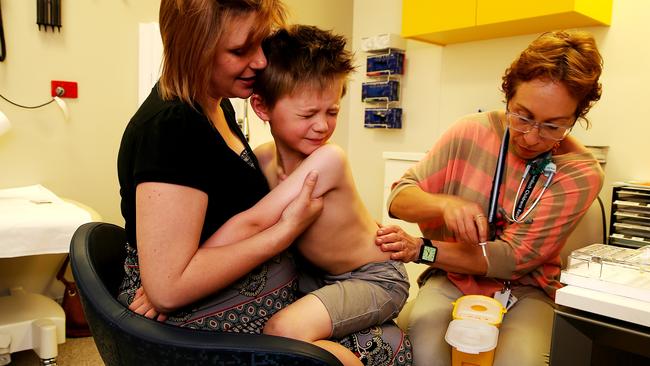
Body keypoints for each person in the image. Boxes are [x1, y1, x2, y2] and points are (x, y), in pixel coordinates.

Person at [116, 1, 413, 364]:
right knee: (373, 342)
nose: (259, 61)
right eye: (241, 49)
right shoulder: (173, 126)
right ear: (195, 46)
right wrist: (166, 279)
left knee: (391, 337)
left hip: (359, 275)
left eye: (261, 43)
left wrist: (418, 247)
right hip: (301, 292)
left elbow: (243, 218)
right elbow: (247, 225)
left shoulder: (220, 107)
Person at [377, 30, 604, 366]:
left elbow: (512, 259)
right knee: (424, 349)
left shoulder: (580, 173)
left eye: (553, 126)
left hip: (526, 290)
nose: (531, 136)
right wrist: (444, 203)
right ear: (507, 94)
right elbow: (399, 198)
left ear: (575, 117)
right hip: (450, 276)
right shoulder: (470, 132)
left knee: (519, 361)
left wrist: (421, 248)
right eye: (522, 116)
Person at [203, 25, 410, 365]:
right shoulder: (264, 157)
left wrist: (188, 271)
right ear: (262, 107)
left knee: (281, 329)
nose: (322, 126)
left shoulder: (329, 159)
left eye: (332, 112)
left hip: (374, 278)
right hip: (319, 275)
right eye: (307, 114)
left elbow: (254, 222)